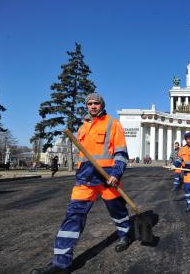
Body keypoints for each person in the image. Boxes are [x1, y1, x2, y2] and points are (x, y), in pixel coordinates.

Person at [31, 93, 130, 274]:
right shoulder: (83, 127)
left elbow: (121, 153)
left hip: (108, 178)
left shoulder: (112, 123)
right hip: (85, 178)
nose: (93, 106)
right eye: (90, 103)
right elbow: (83, 156)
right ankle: (61, 263)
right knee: (73, 215)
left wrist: (116, 173)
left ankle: (124, 234)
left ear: (102, 105)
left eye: (96, 103)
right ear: (87, 106)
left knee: (118, 210)